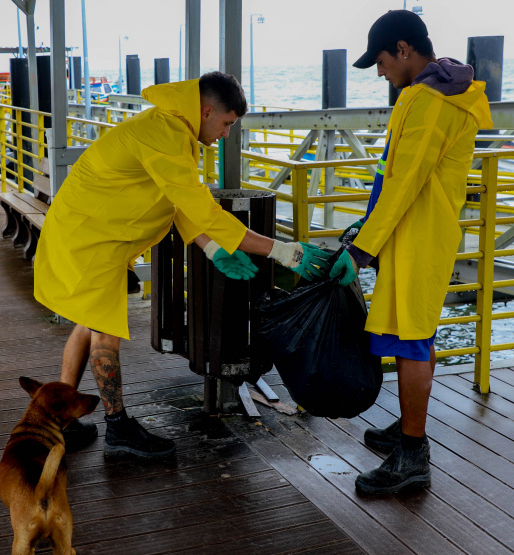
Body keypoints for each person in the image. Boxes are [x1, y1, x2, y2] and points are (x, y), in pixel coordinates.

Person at [33, 71, 331, 458]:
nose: (226, 134)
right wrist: (285, 252)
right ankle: (118, 428)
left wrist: (213, 249)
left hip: (87, 231)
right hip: (92, 241)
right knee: (104, 333)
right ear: (206, 112)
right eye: (226, 123)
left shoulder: (171, 129)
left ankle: (61, 418)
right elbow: (205, 211)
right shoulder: (167, 135)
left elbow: (180, 204)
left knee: (89, 323)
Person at [329, 10, 492, 495]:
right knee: (415, 333)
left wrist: (361, 250)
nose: (380, 73)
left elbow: (403, 183)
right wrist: (368, 228)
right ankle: (408, 426)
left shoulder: (426, 101)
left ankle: (413, 454)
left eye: (381, 62)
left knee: (410, 340)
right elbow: (396, 175)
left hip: (416, 236)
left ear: (403, 49)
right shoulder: (440, 94)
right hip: (418, 233)